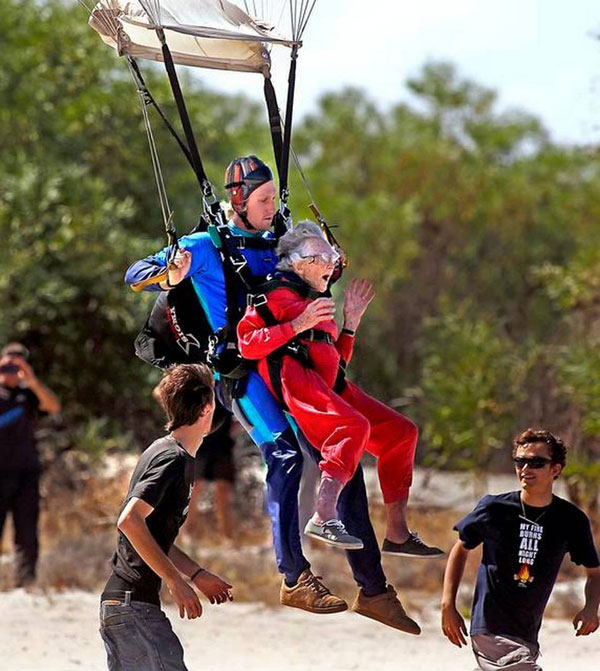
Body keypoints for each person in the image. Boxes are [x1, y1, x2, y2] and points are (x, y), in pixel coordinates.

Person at [125, 155, 423, 634]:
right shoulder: (204, 245)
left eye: (273, 199)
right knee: (284, 456)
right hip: (241, 375)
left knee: (341, 459)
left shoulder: (276, 239)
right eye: (262, 200)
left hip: (289, 367)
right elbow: (136, 274)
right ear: (238, 200)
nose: (270, 208)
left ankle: (374, 591)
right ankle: (294, 577)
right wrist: (172, 274)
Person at [237, 221, 444, 556]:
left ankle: (397, 532)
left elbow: (336, 360)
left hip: (328, 383)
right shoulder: (274, 296)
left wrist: (350, 326)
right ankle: (323, 515)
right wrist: (296, 325)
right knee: (353, 426)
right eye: (321, 256)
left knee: (401, 433)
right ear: (298, 263)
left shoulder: (315, 300)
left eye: (331, 255)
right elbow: (246, 343)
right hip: (295, 379)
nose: (331, 263)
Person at [99, 363, 233, 671]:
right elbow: (129, 521)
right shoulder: (171, 458)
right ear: (207, 407)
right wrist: (174, 580)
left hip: (126, 607)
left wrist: (196, 575)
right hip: (133, 608)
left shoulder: (171, 454)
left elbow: (154, 536)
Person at [441, 428, 600, 670]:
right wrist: (447, 605)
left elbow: (594, 573)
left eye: (536, 462)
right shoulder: (494, 508)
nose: (526, 469)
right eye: (520, 461)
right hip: (489, 625)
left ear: (555, 469)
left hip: (526, 633)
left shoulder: (571, 519)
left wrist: (591, 607)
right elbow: (460, 549)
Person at [0, 342, 61, 586]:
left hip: (26, 473)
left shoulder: (28, 396)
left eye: (17, 366)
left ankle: (25, 584)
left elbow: (53, 407)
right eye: (7, 365)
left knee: (26, 531)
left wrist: (32, 381)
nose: (11, 371)